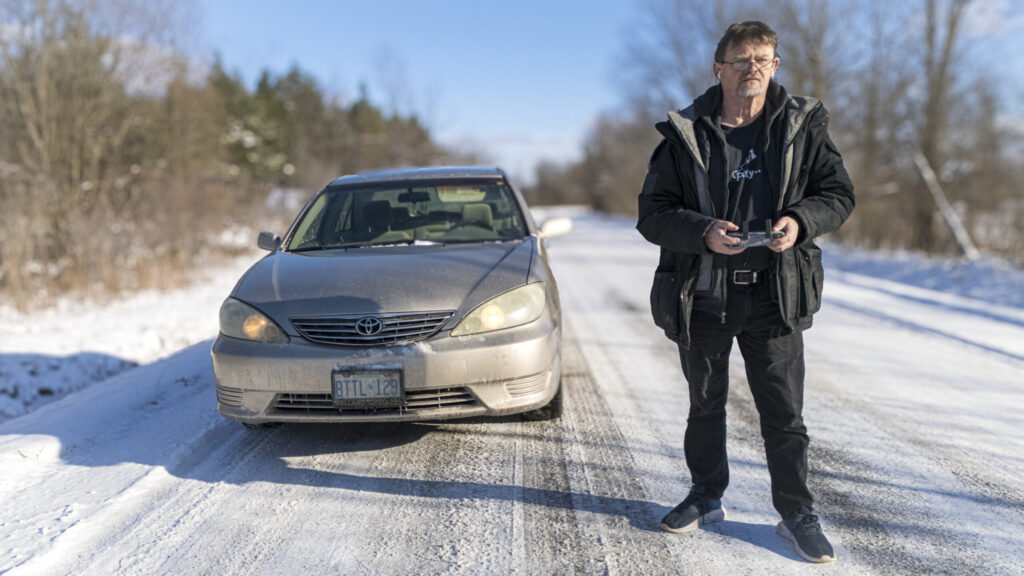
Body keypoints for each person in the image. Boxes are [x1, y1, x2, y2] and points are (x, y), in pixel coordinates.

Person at [635, 21, 855, 564]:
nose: (753, 67)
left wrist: (800, 221)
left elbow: (838, 194)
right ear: (720, 68)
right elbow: (652, 213)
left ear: (775, 66)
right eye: (742, 59)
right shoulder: (687, 131)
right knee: (704, 405)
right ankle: (706, 496)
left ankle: (796, 513)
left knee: (783, 411)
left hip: (775, 292)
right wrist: (704, 232)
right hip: (706, 291)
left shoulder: (801, 126)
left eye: (764, 59)